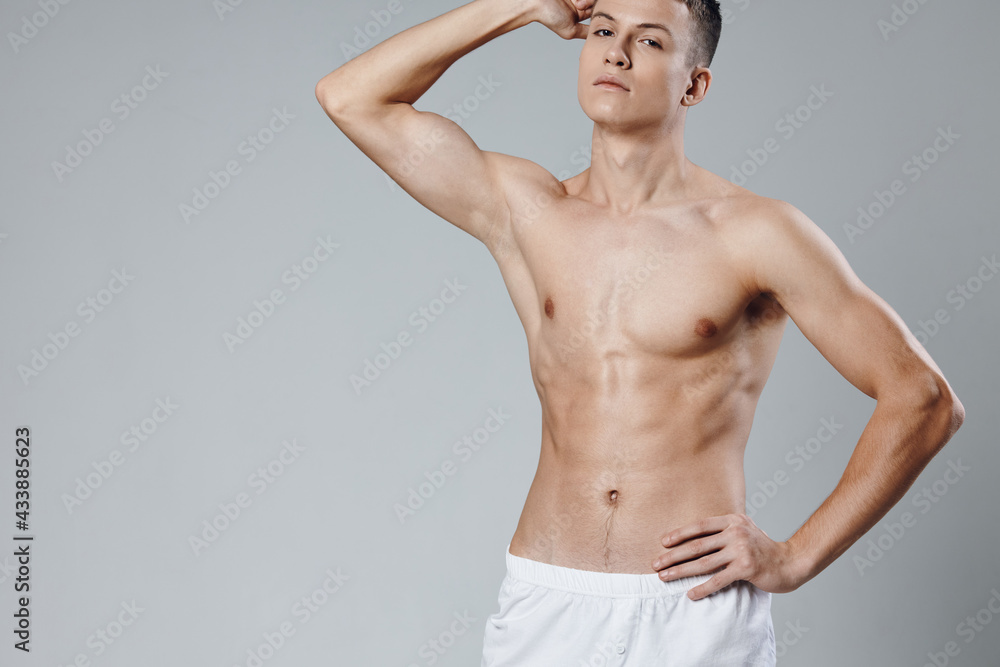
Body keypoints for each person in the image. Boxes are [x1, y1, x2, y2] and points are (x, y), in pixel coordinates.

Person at [314, 0, 965, 664]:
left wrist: (796, 556)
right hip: (549, 597)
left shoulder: (756, 232)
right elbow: (350, 98)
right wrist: (519, 7)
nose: (616, 53)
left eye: (650, 41)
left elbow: (923, 399)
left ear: (695, 84)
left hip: (694, 609)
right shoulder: (528, 210)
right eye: (603, 31)